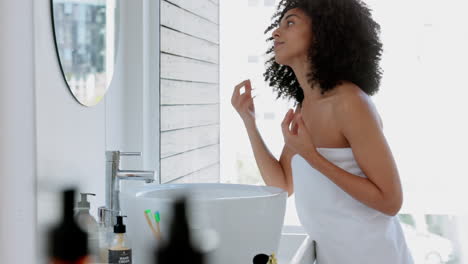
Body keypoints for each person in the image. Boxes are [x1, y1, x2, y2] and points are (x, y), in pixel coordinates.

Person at [231, 0, 414, 263]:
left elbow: (390, 201)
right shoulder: (305, 106)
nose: (276, 32)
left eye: (290, 22)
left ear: (322, 34)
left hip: (374, 255)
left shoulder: (350, 102)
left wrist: (312, 157)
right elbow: (282, 184)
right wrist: (249, 122)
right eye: (279, 24)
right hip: (333, 256)